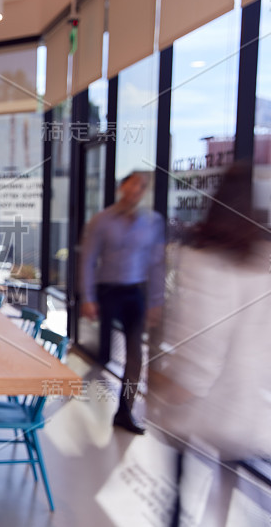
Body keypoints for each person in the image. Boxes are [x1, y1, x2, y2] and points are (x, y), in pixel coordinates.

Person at [147, 163, 271, 524]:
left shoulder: (204, 264)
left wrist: (165, 389)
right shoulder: (264, 265)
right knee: (228, 496)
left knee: (179, 499)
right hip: (249, 408)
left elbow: (201, 352)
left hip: (201, 406)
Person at [80, 171, 165, 434]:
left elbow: (157, 264)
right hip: (108, 292)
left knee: (134, 356)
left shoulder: (152, 223)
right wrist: (88, 297)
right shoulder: (101, 221)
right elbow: (87, 260)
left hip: (135, 292)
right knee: (105, 353)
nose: (136, 191)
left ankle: (125, 410)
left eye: (141, 187)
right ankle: (93, 376)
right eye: (132, 186)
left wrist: (155, 301)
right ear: (122, 188)